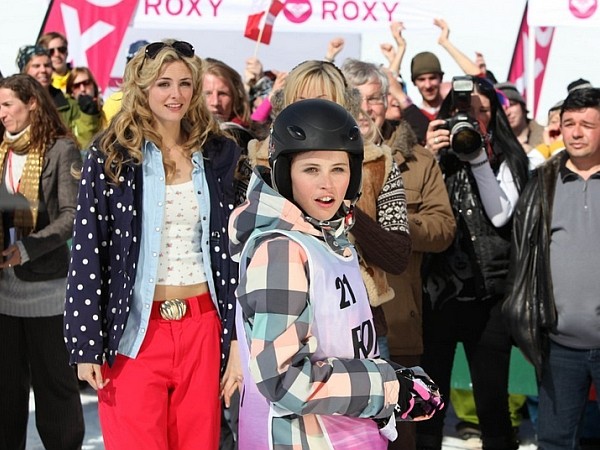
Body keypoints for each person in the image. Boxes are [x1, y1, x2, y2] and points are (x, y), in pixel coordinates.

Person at [230, 98, 443, 449]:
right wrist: (386, 387)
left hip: (348, 433)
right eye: (311, 169)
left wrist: (398, 381)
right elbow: (283, 379)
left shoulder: (328, 241)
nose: (326, 185)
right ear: (285, 172)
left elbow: (344, 345)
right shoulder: (282, 250)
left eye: (339, 169)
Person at [63, 39, 243, 450]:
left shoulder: (219, 154)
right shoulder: (110, 156)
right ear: (142, 88)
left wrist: (236, 340)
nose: (176, 94)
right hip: (133, 332)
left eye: (185, 83)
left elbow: (235, 254)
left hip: (203, 327)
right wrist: (85, 342)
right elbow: (88, 252)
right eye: (164, 83)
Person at [341, 57, 456, 450]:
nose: (364, 109)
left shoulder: (417, 159)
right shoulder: (324, 158)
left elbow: (443, 227)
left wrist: (391, 226)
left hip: (399, 318)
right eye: (354, 99)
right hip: (337, 323)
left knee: (400, 433)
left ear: (387, 102)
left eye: (373, 98)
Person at [417, 75, 529, 450]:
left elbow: (500, 215)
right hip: (438, 295)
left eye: (483, 110)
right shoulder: (434, 155)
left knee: (492, 400)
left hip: (488, 298)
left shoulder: (507, 157)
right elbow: (413, 209)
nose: (473, 117)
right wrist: (427, 156)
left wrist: (478, 156)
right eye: (465, 110)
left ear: (494, 114)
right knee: (429, 401)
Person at [503, 87, 600, 450]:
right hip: (559, 345)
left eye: (587, 124)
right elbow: (522, 259)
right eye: (569, 123)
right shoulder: (541, 183)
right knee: (555, 442)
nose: (575, 132)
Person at [0, 73, 84, 450]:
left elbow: (72, 215)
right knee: (6, 392)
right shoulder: (2, 148)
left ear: (32, 103)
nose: (2, 113)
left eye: (7, 104)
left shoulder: (61, 149)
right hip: (4, 292)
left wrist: (29, 248)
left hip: (47, 290)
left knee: (55, 390)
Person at [16, 44, 100, 149]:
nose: (43, 70)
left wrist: (88, 115)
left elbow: (83, 143)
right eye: (36, 66)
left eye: (47, 65)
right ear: (25, 71)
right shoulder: (15, 102)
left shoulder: (68, 104)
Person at [65, 66, 104, 152]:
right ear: (71, 92)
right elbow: (85, 146)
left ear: (93, 85)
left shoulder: (105, 108)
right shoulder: (69, 113)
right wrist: (88, 114)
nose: (82, 89)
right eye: (76, 86)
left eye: (86, 83)